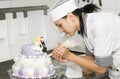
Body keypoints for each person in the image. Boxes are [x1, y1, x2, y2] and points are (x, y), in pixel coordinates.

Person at [49, 0, 120, 79]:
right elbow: (93, 59)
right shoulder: (84, 27)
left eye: (60, 25)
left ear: (71, 17)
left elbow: (101, 68)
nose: (60, 30)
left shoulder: (99, 24)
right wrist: (67, 57)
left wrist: (69, 55)